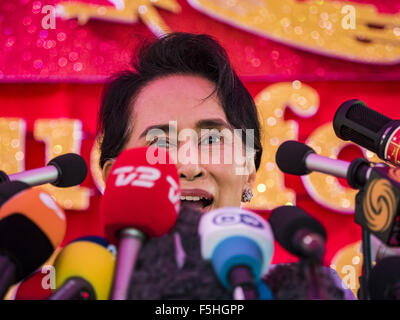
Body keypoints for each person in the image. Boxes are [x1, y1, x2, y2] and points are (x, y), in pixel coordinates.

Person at [97, 32, 353, 300]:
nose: (188, 165)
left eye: (211, 139)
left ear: (249, 171)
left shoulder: (309, 291)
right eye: (161, 142)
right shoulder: (80, 291)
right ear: (114, 177)